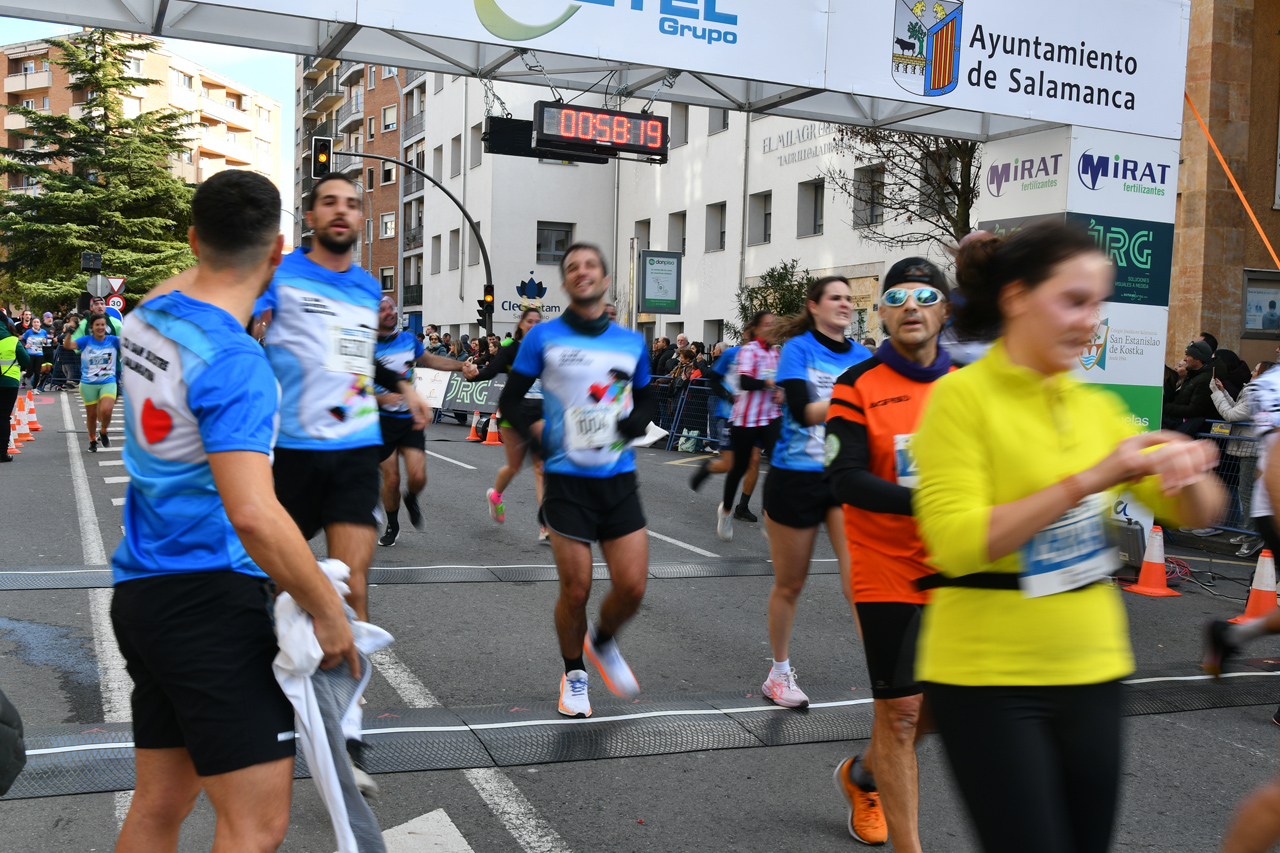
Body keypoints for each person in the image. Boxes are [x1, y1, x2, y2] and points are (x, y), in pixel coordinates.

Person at [912, 220, 1222, 853]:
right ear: (1018, 297)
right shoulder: (959, 399)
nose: (1091, 320)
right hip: (986, 674)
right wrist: (1090, 479)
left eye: (1098, 304)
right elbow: (955, 540)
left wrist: (1189, 470)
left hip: (1093, 665)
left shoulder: (1094, 406)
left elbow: (1199, 513)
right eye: (1074, 300)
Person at [109, 169, 359, 853]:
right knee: (255, 826)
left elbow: (181, 280)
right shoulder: (235, 360)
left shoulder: (146, 319)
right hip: (211, 601)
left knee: (160, 803)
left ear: (194, 240)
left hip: (144, 593)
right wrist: (329, 611)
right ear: (278, 250)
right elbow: (252, 512)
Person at [252, 172, 427, 795]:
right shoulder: (279, 275)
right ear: (310, 216)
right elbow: (238, 325)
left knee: (352, 587)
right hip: (291, 453)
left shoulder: (366, 285)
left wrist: (401, 382)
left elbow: (358, 353)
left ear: (360, 218)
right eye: (330, 202)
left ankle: (347, 735)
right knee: (280, 587)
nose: (342, 212)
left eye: (353, 204)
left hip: (353, 449)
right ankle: (279, 689)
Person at [825, 258, 955, 850]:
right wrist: (926, 503)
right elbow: (843, 477)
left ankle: (863, 773)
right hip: (886, 565)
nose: (911, 307)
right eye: (897, 297)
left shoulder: (970, 385)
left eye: (925, 297)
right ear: (880, 312)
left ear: (944, 311)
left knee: (947, 705)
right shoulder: (856, 384)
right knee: (901, 712)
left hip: (960, 563)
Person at [498, 243, 656, 719]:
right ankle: (574, 674)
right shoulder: (542, 338)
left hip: (618, 478)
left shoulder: (631, 342)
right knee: (576, 589)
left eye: (590, 265)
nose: (581, 272)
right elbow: (509, 401)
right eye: (572, 267)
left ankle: (602, 641)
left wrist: (636, 422)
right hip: (567, 481)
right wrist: (537, 437)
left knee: (632, 588)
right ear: (566, 283)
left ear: (605, 280)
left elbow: (648, 398)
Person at [761, 277, 872, 708]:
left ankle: (886, 676)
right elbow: (803, 411)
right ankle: (778, 674)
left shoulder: (864, 357)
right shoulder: (798, 350)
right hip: (796, 477)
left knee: (859, 582)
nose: (844, 304)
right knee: (790, 584)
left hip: (843, 476)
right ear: (815, 306)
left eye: (848, 298)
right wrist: (853, 397)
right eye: (835, 298)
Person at [373, 296, 463, 547]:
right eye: (382, 309)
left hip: (409, 419)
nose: (390, 312)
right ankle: (392, 524)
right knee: (392, 479)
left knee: (418, 476)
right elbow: (353, 387)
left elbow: (432, 361)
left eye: (391, 308)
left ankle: (411, 497)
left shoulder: (408, 340)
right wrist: (381, 398)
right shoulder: (365, 346)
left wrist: (461, 366)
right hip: (381, 421)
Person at [464, 307, 548, 540]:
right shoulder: (511, 350)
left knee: (541, 468)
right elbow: (491, 371)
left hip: (538, 412)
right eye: (530, 321)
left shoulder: (545, 350)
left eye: (538, 322)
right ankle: (496, 496)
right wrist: (473, 375)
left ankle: (546, 525)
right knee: (514, 466)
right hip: (513, 413)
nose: (534, 325)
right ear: (521, 324)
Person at [713, 311, 780, 541]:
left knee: (779, 463)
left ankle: (771, 517)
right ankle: (726, 511)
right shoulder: (749, 351)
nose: (773, 328)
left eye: (775, 325)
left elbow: (780, 382)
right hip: (745, 419)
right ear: (757, 329)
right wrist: (769, 383)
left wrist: (782, 391)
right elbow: (744, 381)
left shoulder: (776, 353)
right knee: (739, 467)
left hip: (770, 416)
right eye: (768, 325)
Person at [66, 314, 121, 453]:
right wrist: (70, 332)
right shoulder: (86, 340)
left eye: (103, 325)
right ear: (92, 327)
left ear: (106, 327)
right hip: (88, 383)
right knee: (91, 416)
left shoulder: (113, 340)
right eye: (97, 325)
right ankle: (92, 440)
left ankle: (103, 431)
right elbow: (68, 345)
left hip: (108, 381)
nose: (100, 327)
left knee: (107, 411)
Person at [1162, 340, 1218, 429]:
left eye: (1188, 356)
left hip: (1191, 427)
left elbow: (1195, 409)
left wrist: (1164, 407)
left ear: (1197, 359)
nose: (1185, 359)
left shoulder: (1204, 379)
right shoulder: (1193, 375)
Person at [0, 312, 31, 462]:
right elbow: (25, 359)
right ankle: (2, 453)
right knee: (3, 417)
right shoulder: (13, 340)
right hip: (9, 382)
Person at [18, 316, 48, 391]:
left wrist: (45, 342)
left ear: (40, 324)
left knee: (37, 372)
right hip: (30, 354)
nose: (36, 323)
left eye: (37, 322)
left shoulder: (44, 332)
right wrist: (25, 345)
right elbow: (22, 340)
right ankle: (24, 376)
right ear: (32, 323)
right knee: (30, 373)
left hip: (39, 354)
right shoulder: (28, 332)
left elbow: (46, 342)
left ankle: (34, 388)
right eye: (34, 322)